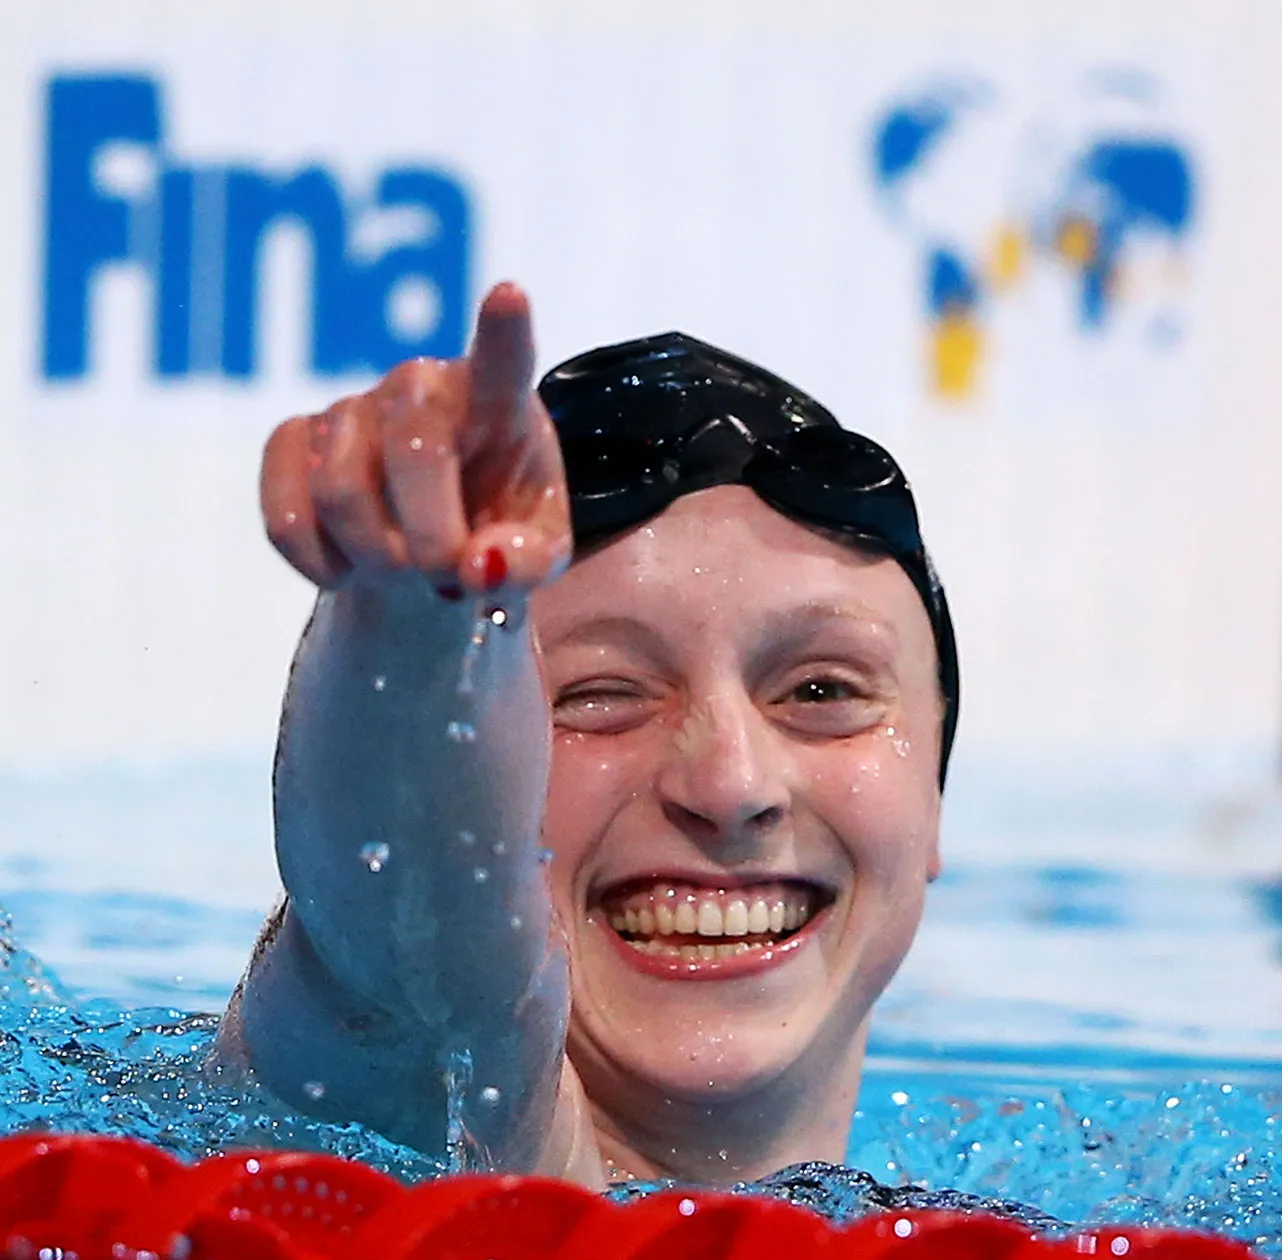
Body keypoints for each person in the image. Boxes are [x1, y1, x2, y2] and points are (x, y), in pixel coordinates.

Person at [213, 282, 958, 1194]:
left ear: (933, 801)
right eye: (601, 695)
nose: (731, 784)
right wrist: (412, 615)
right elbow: (409, 954)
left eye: (820, 690)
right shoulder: (454, 1136)